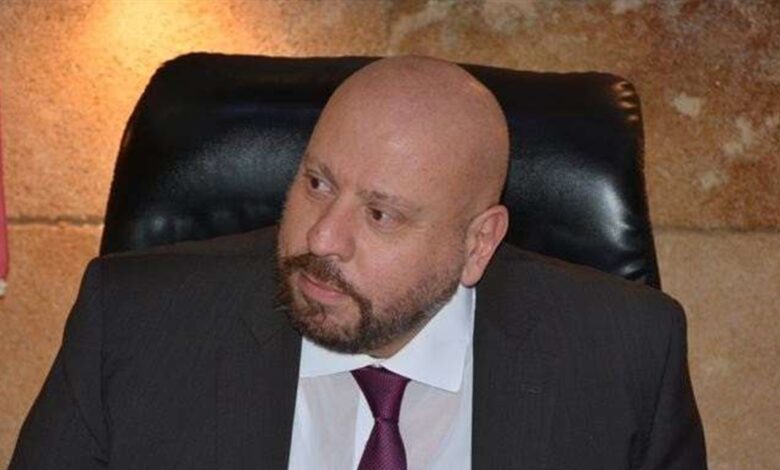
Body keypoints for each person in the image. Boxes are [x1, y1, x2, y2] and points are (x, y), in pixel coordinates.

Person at [10, 56, 706, 469]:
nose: (322, 239)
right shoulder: (134, 325)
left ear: (478, 244)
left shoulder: (624, 353)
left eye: (381, 215)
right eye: (317, 183)